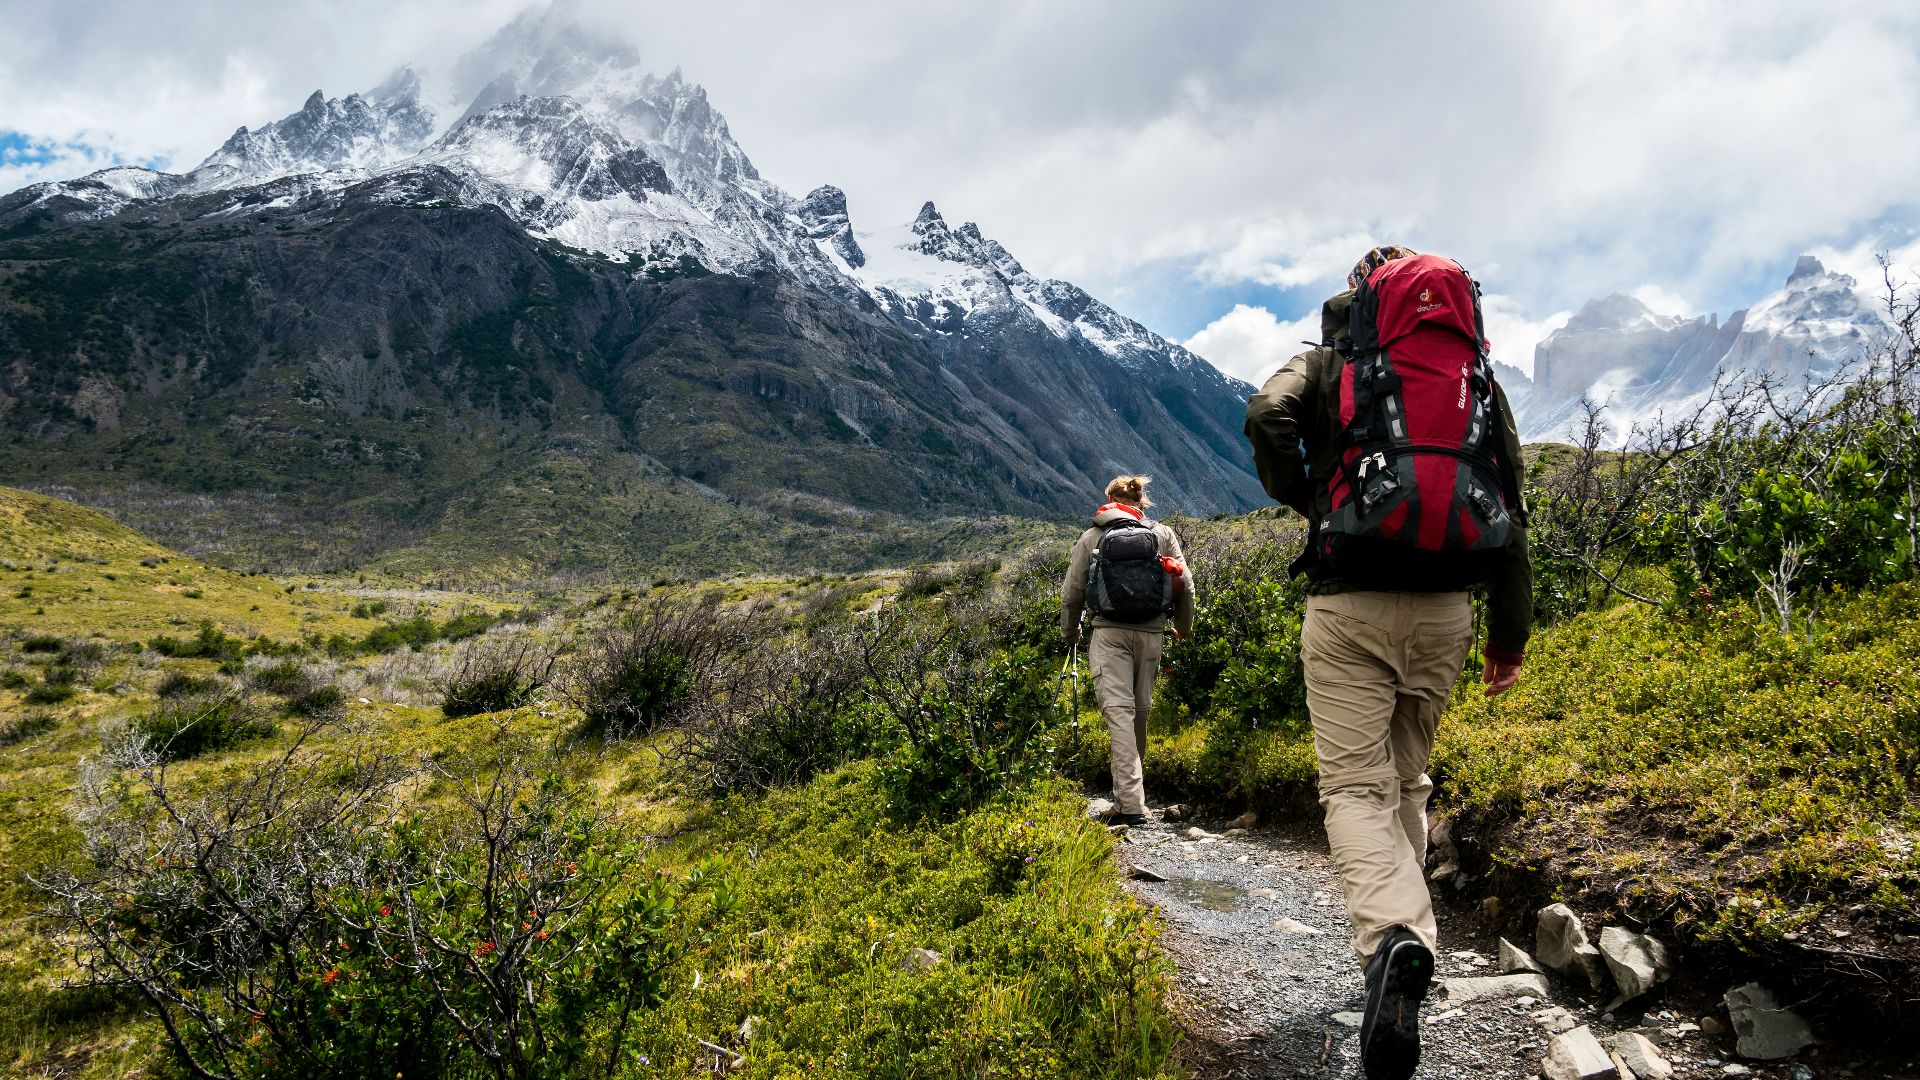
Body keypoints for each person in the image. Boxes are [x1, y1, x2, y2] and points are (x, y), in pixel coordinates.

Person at [1244, 246, 1531, 1080]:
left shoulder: (1333, 361)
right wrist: (1508, 637)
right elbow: (1510, 501)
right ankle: (1416, 945)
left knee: (1353, 788)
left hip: (1350, 603)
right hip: (1448, 611)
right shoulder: (1475, 378)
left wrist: (1307, 494)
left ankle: (1393, 942)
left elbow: (1266, 416)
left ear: (1363, 295)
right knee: (1407, 781)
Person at [1059, 475, 1194, 828]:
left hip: (1109, 634)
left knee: (1118, 712)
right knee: (1140, 712)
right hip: (1151, 633)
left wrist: (1071, 632)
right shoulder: (1162, 534)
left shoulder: (1092, 536)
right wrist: (1184, 627)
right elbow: (1186, 584)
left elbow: (1072, 592)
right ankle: (1133, 795)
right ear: (1141, 501)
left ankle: (1130, 804)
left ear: (1108, 499)